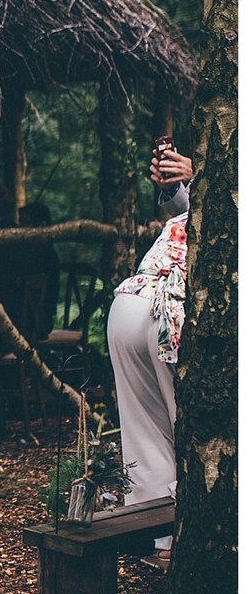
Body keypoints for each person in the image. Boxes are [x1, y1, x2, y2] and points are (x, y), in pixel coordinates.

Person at [110, 142, 195, 504]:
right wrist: (174, 187)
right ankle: (175, 538)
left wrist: (196, 177)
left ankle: (160, 540)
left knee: (144, 431)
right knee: (193, 427)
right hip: (170, 305)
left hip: (132, 299)